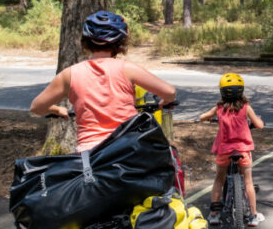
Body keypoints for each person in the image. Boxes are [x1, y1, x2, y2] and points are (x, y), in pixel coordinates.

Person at [30, 10, 176, 152]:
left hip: (89, 154)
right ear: (121, 42)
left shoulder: (69, 74)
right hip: (126, 150)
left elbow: (37, 107)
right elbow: (170, 92)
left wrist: (56, 110)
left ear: (86, 41)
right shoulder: (128, 69)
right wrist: (165, 101)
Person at [198, 73, 266, 227]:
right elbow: (259, 125)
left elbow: (203, 116)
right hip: (242, 151)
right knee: (248, 182)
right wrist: (259, 120)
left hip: (224, 151)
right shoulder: (246, 107)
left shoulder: (219, 108)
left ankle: (214, 215)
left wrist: (205, 117)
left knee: (219, 179)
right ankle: (254, 215)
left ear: (222, 92)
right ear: (241, 91)